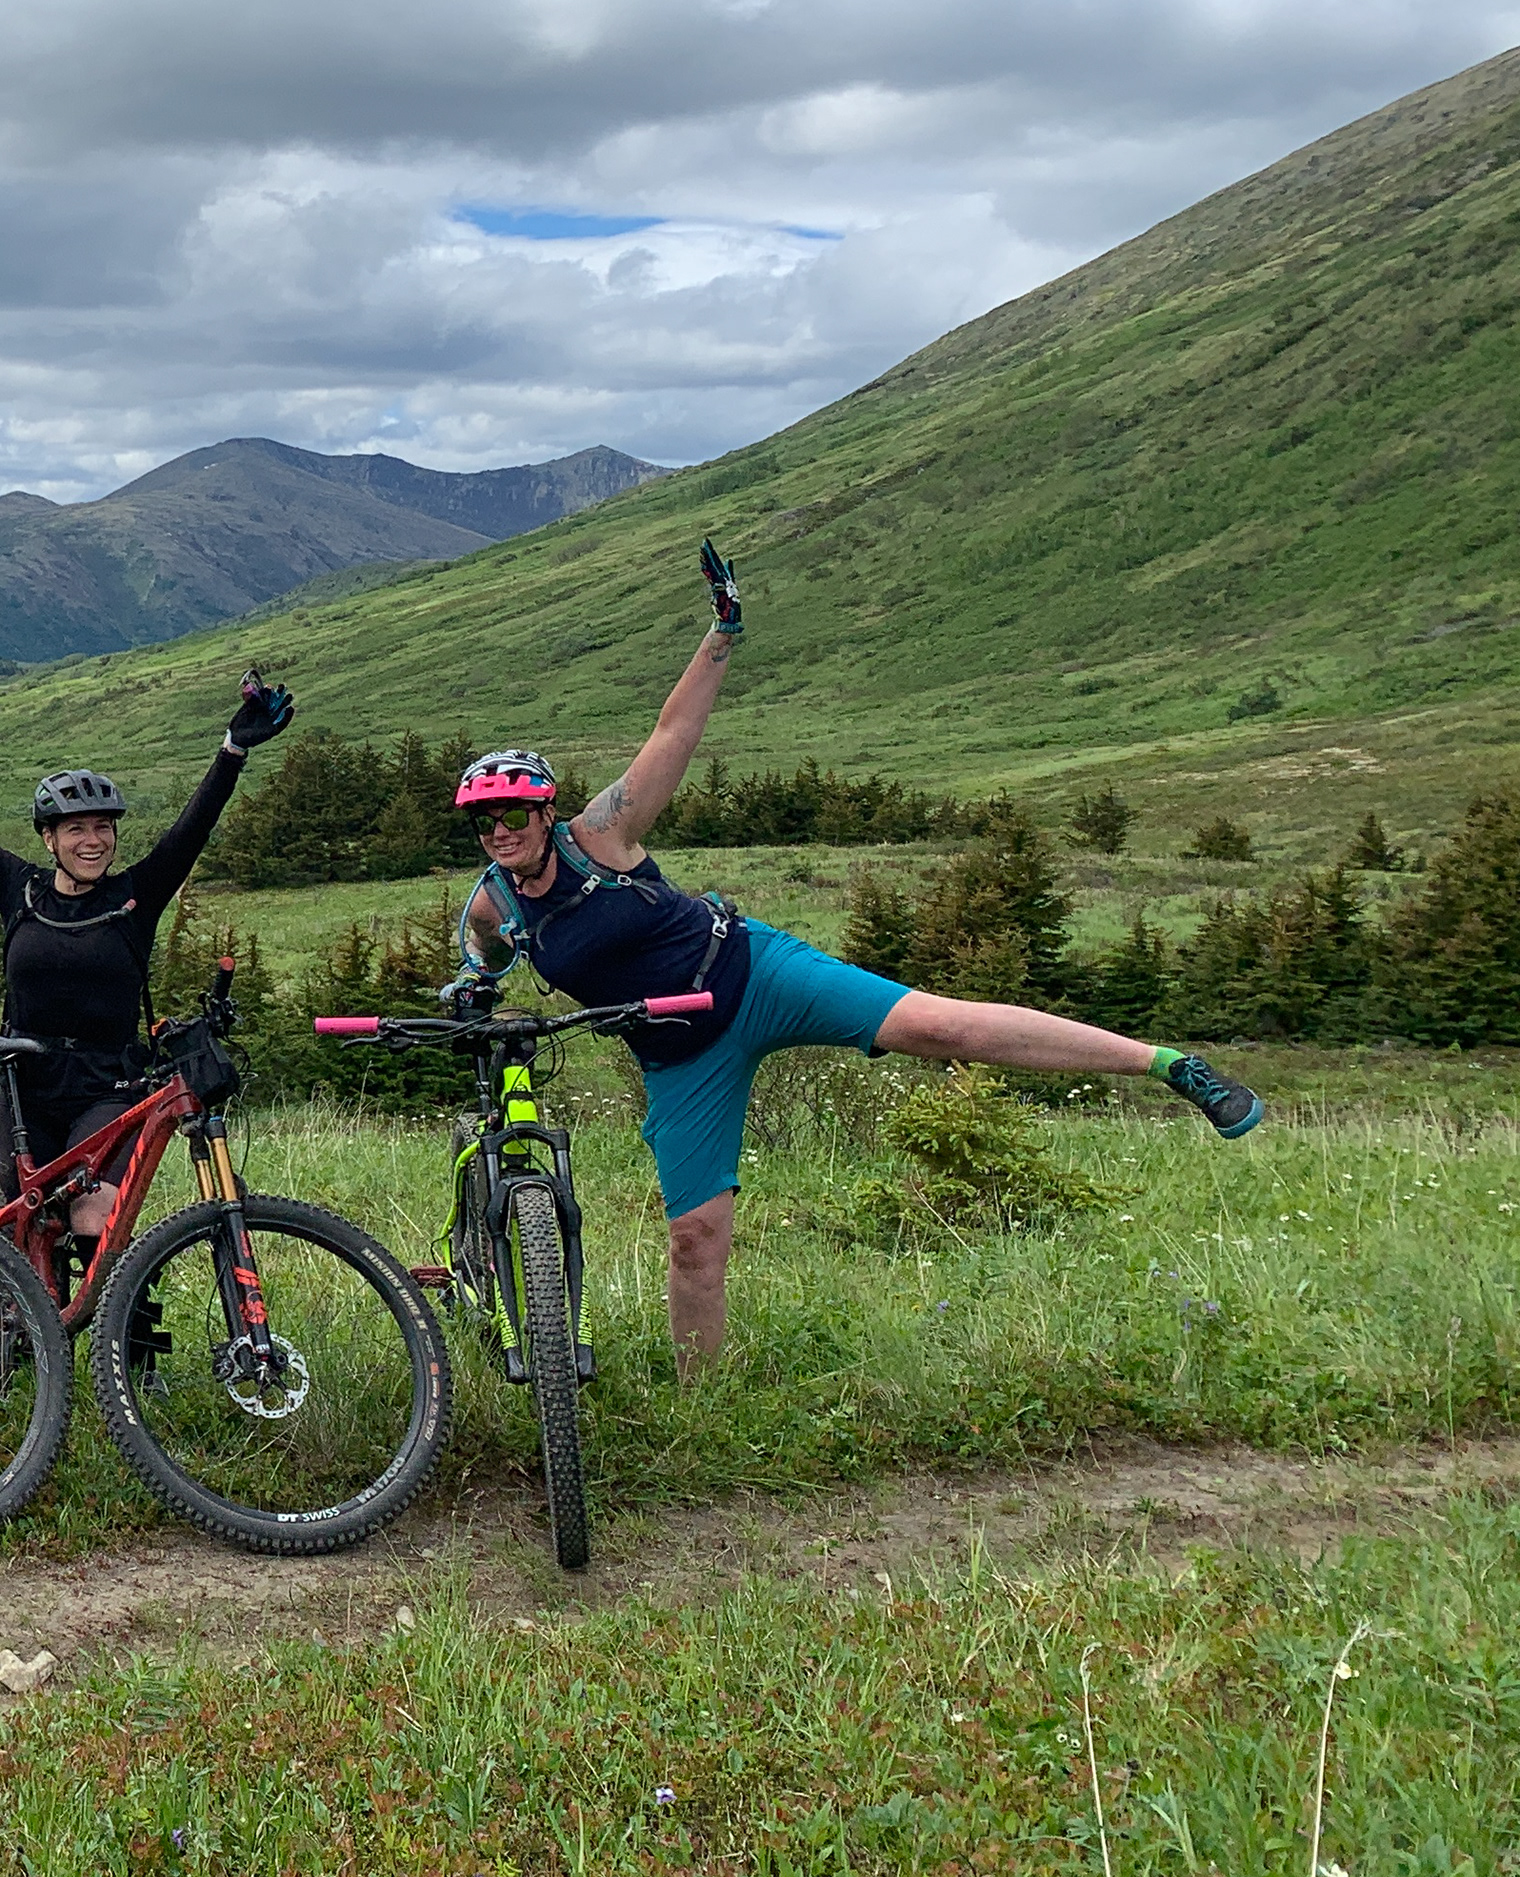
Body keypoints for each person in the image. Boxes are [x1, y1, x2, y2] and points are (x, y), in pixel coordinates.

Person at [448, 540, 1265, 1378]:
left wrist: (721, 633)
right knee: (695, 1239)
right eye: (485, 820)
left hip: (755, 974)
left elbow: (673, 731)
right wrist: (476, 981)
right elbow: (479, 951)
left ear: (545, 809)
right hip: (679, 1053)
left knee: (940, 1027)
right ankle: (699, 1408)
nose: (501, 829)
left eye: (514, 810)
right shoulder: (495, 901)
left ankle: (1171, 1067)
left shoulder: (603, 835)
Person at [0, 670, 296, 1265]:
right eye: (76, 828)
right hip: (23, 1080)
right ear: (49, 838)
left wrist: (233, 749)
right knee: (29, 1231)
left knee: (93, 1209)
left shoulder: (137, 894)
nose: (93, 840)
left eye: (103, 827)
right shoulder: (16, 888)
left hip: (107, 1081)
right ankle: (24, 1343)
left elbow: (194, 826)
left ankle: (121, 1339)